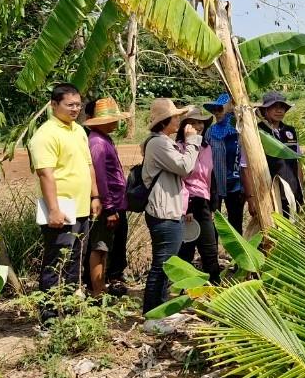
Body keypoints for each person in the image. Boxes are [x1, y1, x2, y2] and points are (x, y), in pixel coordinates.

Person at [29, 83, 100, 324]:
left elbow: (88, 165)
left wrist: (95, 196)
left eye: (78, 105)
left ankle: (68, 312)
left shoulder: (79, 130)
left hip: (81, 208)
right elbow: (45, 174)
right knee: (56, 262)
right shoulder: (45, 135)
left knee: (74, 263)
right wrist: (54, 209)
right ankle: (48, 317)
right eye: (69, 105)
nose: (75, 109)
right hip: (61, 209)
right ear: (54, 105)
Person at [140, 97, 202, 314]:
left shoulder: (162, 141)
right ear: (165, 120)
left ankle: (159, 311)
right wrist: (193, 141)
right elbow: (185, 166)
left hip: (168, 210)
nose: (179, 120)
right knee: (163, 265)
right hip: (163, 213)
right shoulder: (158, 143)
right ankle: (153, 313)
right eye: (176, 116)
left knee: (166, 265)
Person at [84, 96, 130, 299]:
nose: (115, 123)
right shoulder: (98, 143)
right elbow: (100, 177)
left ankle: (102, 286)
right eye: (112, 119)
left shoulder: (103, 139)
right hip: (107, 204)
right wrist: (109, 208)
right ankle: (97, 291)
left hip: (115, 203)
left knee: (108, 247)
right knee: (100, 247)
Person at [178, 107, 221, 283]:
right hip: (187, 203)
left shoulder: (207, 147)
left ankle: (215, 290)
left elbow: (211, 177)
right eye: (193, 123)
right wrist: (186, 207)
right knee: (186, 251)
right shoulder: (180, 147)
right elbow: (180, 178)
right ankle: (182, 291)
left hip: (203, 203)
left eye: (200, 122)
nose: (198, 126)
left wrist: (213, 207)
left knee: (210, 249)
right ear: (185, 127)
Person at [252, 91, 303, 216]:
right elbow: (248, 166)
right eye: (275, 107)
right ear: (265, 110)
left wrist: (301, 188)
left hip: (292, 188)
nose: (279, 110)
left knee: (292, 228)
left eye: (282, 107)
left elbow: (297, 161)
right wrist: (251, 197)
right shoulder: (258, 132)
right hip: (270, 190)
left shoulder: (290, 131)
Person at [204, 93, 244, 231]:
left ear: (229, 110)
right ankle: (213, 252)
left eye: (219, 109)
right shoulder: (210, 132)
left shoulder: (240, 130)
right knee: (213, 222)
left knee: (235, 221)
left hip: (236, 184)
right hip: (215, 184)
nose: (216, 113)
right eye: (214, 110)